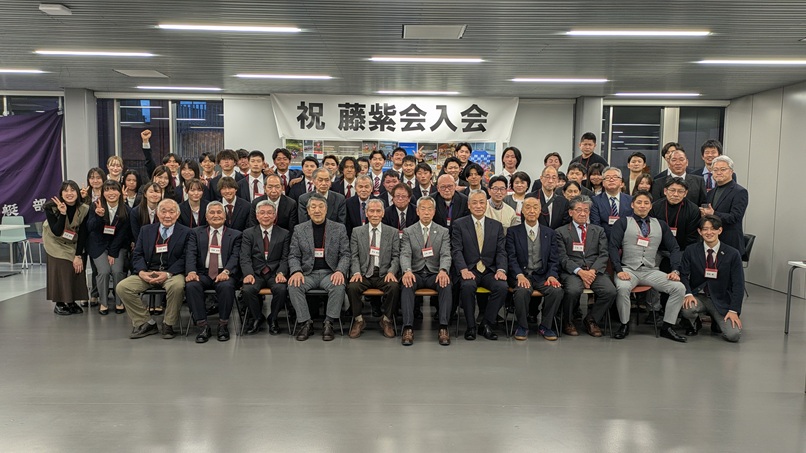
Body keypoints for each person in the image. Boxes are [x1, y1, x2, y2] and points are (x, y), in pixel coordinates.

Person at [609, 191, 687, 342]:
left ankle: (667, 327)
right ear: (632, 205)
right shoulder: (623, 222)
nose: (642, 206)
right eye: (639, 202)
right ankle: (624, 324)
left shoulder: (661, 225)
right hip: (628, 269)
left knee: (679, 288)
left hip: (651, 271)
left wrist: (675, 270)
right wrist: (618, 270)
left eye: (646, 203)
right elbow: (613, 246)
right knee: (623, 288)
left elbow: (674, 248)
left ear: (651, 206)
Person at [116, 199, 190, 339]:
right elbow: (137, 254)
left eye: (171, 212)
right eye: (163, 211)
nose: (167, 215)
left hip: (172, 274)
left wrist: (168, 274)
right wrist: (142, 272)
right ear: (157, 213)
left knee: (177, 286)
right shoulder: (146, 230)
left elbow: (186, 257)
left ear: (177, 214)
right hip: (148, 272)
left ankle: (168, 324)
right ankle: (145, 322)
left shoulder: (187, 232)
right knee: (123, 287)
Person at [287, 194, 351, 341]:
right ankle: (305, 322)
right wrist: (296, 271)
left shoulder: (339, 228)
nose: (317, 210)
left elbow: (346, 254)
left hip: (330, 273)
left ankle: (329, 322)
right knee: (294, 285)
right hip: (307, 273)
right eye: (313, 207)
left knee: (338, 285)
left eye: (321, 207)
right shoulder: (299, 229)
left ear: (326, 210)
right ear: (308, 211)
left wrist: (340, 271)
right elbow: (293, 255)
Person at [452, 190, 509, 341]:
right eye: (474, 202)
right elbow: (456, 250)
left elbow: (501, 251)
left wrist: (501, 269)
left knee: (502, 287)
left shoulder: (496, 226)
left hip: (489, 270)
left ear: (486, 205)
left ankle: (486, 324)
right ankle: (471, 326)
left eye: (482, 202)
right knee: (467, 286)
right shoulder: (459, 224)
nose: (478, 206)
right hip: (469, 269)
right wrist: (463, 269)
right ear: (468, 205)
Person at [555, 196, 616, 337]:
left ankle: (591, 319)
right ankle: (567, 321)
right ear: (571, 212)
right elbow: (562, 257)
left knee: (610, 291)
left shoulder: (598, 231)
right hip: (572, 271)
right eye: (578, 210)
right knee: (573, 290)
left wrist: (592, 271)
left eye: (586, 210)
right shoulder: (560, 232)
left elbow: (603, 254)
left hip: (595, 271)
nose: (582, 213)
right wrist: (580, 272)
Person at [505, 197, 563, 341]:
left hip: (542, 276)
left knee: (556, 291)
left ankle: (545, 326)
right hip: (521, 275)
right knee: (522, 291)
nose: (532, 211)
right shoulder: (513, 232)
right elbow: (511, 257)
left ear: (540, 210)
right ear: (522, 211)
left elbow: (554, 259)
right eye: (528, 207)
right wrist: (519, 275)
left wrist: (552, 275)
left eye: (535, 207)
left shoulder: (549, 233)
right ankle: (522, 326)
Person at [679, 215, 744, 342]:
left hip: (721, 299)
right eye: (705, 229)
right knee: (687, 309)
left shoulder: (732, 254)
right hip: (698, 296)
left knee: (733, 335)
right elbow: (683, 274)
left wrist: (734, 310)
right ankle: (695, 322)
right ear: (699, 231)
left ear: (720, 230)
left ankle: (717, 320)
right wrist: (688, 293)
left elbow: (738, 284)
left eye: (713, 229)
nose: (709, 232)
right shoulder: (691, 250)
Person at [185, 202, 242, 343]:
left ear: (225, 216)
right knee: (192, 285)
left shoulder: (236, 235)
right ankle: (203, 326)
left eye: (219, 212)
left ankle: (223, 325)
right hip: (202, 273)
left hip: (225, 272)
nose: (216, 215)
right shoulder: (195, 233)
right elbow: (190, 254)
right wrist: (191, 271)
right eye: (212, 212)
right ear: (206, 216)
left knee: (227, 286)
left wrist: (227, 271)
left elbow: (235, 257)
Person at [399, 196, 453, 346]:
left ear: (434, 212)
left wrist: (443, 270)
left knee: (446, 284)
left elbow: (446, 254)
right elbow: (405, 254)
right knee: (407, 284)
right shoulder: (409, 231)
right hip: (415, 272)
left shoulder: (443, 231)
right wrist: (407, 270)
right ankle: (408, 328)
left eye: (430, 209)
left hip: (434, 273)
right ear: (417, 211)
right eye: (423, 209)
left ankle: (443, 327)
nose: (426, 212)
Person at [346, 199, 400, 339]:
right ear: (366, 213)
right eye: (371, 211)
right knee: (352, 287)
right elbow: (354, 256)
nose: (375, 214)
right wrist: (356, 272)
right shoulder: (357, 232)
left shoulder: (392, 232)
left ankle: (386, 320)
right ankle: (358, 320)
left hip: (384, 273)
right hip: (364, 273)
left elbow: (396, 256)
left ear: (383, 213)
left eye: (378, 211)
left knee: (394, 287)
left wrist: (391, 271)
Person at [240, 201, 290, 335]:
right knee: (247, 290)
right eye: (262, 213)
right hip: (256, 273)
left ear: (275, 215)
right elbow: (245, 257)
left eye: (269, 213)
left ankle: (273, 318)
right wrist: (248, 274)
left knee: (281, 289)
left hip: (275, 273)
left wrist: (281, 272)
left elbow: (285, 257)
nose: (266, 216)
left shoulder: (284, 233)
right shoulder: (248, 233)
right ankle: (257, 317)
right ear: (257, 216)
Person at [43, 180, 90, 315]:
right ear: (61, 193)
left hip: (71, 241)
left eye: (72, 190)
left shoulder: (84, 209)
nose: (69, 193)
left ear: (77, 193)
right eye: (66, 191)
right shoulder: (51, 207)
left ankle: (71, 300)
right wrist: (63, 214)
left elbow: (83, 234)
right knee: (63, 264)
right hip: (54, 241)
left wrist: (78, 255)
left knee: (77, 266)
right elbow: (57, 231)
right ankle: (59, 303)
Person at [86, 180, 130, 315]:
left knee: (117, 271)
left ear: (120, 192)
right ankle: (103, 303)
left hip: (117, 246)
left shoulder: (126, 210)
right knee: (104, 271)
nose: (111, 193)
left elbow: (122, 234)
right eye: (107, 190)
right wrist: (98, 216)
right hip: (98, 245)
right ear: (102, 193)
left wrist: (112, 252)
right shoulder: (95, 206)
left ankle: (119, 302)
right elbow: (90, 228)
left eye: (114, 189)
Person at [699, 155, 748, 255]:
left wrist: (713, 214)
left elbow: (735, 217)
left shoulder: (740, 191)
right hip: (711, 241)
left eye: (723, 169)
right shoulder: (711, 192)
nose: (719, 172)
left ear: (731, 171)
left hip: (730, 242)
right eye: (715, 170)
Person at [650, 177, 701, 252]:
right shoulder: (655, 207)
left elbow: (692, 237)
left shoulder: (693, 209)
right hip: (658, 249)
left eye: (680, 191)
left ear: (685, 193)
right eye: (672, 190)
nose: (675, 194)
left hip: (682, 250)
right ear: (665, 191)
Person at [590, 167, 633, 239]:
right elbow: (596, 224)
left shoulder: (630, 200)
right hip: (604, 239)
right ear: (603, 183)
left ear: (621, 182)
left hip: (626, 239)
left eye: (615, 177)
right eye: (607, 178)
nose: (611, 180)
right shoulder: (595, 201)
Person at [527, 166, 571, 230]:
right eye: (547, 177)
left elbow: (565, 226)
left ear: (557, 180)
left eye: (554, 178)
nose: (550, 181)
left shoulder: (563, 202)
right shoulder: (530, 198)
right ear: (541, 178)